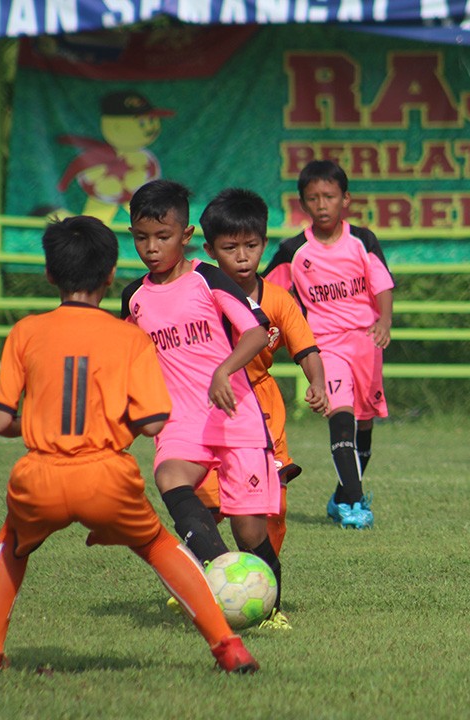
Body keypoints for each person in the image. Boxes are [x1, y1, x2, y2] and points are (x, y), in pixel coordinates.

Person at [0, 216, 258, 678]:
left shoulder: (26, 332)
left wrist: (42, 423)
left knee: (12, 545)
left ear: (50, 274)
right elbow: (153, 422)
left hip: (39, 474)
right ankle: (228, 647)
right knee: (160, 546)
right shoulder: (130, 337)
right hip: (106, 475)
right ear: (107, 277)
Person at [120, 180, 285, 615]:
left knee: (251, 531)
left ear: (186, 235)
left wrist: (224, 369)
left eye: (163, 236)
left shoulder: (207, 278)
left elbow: (254, 330)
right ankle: (217, 575)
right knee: (169, 476)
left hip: (234, 415)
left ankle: (270, 610)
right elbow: (128, 359)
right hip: (180, 422)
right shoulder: (133, 297)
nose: (151, 248)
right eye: (141, 237)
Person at [194, 187, 329, 627]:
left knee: (270, 512)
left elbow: (305, 346)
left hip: (263, 413)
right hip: (208, 410)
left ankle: (267, 599)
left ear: (264, 244)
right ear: (209, 250)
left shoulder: (277, 299)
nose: (242, 256)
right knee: (207, 505)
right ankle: (207, 584)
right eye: (230, 248)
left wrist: (319, 382)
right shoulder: (198, 294)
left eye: (251, 246)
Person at [264, 160, 394, 530]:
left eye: (329, 196)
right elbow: (266, 291)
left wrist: (384, 321)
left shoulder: (363, 240)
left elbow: (382, 285)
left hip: (366, 344)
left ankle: (341, 495)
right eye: (313, 198)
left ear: (345, 199)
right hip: (324, 346)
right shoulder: (294, 250)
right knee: (341, 417)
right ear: (303, 204)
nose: (322, 204)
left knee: (364, 426)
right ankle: (354, 503)